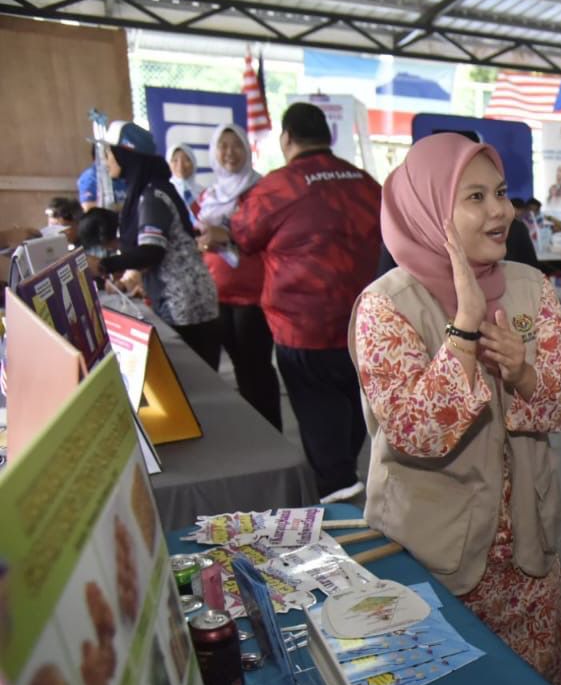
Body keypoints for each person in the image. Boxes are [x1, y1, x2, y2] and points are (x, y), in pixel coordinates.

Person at [353, 133, 561, 684]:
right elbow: (417, 436)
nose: (499, 211)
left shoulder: (531, 287)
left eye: (501, 193)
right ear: (429, 209)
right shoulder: (386, 306)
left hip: (528, 558)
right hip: (430, 561)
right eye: (475, 197)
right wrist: (462, 330)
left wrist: (523, 372)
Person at [202, 103, 382, 503]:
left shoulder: (276, 188)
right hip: (363, 323)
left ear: (286, 138)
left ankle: (336, 490)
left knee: (318, 410)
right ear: (329, 137)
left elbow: (244, 237)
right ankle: (344, 474)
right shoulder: (367, 183)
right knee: (352, 399)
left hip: (304, 326)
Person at [93, 121, 221, 368]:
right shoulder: (150, 190)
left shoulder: (152, 196)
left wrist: (104, 264)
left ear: (125, 155)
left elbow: (152, 251)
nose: (106, 160)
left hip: (185, 304)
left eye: (109, 153)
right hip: (182, 300)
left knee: (198, 385)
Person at [194, 123, 282, 430]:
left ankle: (270, 432)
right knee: (226, 370)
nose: (230, 153)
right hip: (214, 293)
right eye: (223, 146)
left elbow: (269, 235)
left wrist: (228, 235)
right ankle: (248, 433)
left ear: (247, 150)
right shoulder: (208, 195)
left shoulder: (262, 190)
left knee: (254, 368)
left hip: (252, 295)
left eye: (236, 145)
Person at [168, 144, 203, 214]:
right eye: (175, 160)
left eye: (186, 159)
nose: (180, 165)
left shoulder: (203, 192)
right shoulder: (165, 192)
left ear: (193, 163)